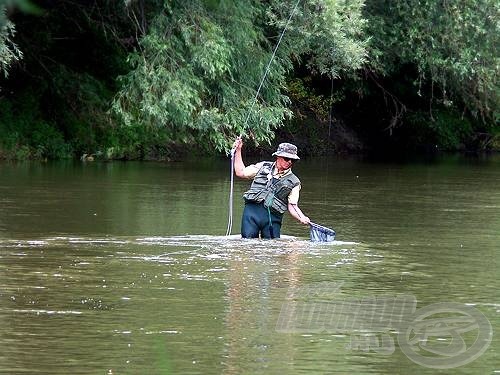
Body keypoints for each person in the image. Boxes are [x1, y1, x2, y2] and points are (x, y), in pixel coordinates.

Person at [232, 138, 310, 239]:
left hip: (273, 220)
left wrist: (302, 217)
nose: (290, 162)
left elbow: (292, 206)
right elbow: (240, 172)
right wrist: (238, 150)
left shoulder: (295, 182)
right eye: (287, 158)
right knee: (247, 244)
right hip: (251, 215)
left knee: (272, 248)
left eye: (293, 160)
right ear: (278, 156)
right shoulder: (262, 166)